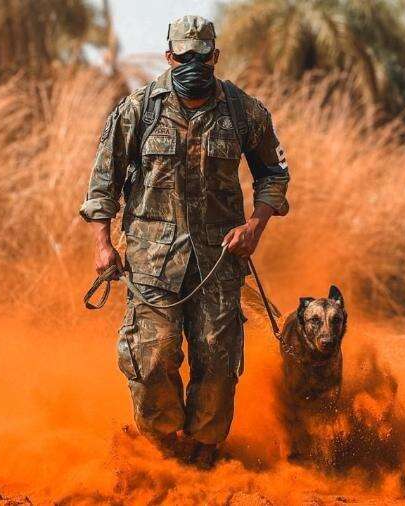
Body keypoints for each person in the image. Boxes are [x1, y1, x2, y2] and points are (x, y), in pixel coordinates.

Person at [79, 14, 291, 469]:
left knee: (216, 363)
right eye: (184, 54)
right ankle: (161, 447)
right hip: (152, 261)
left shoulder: (243, 111)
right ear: (169, 55)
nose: (193, 62)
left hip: (219, 261)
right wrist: (103, 243)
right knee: (151, 359)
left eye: (202, 55)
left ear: (215, 56)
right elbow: (103, 182)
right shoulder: (138, 109)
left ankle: (206, 453)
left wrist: (255, 225)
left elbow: (273, 173)